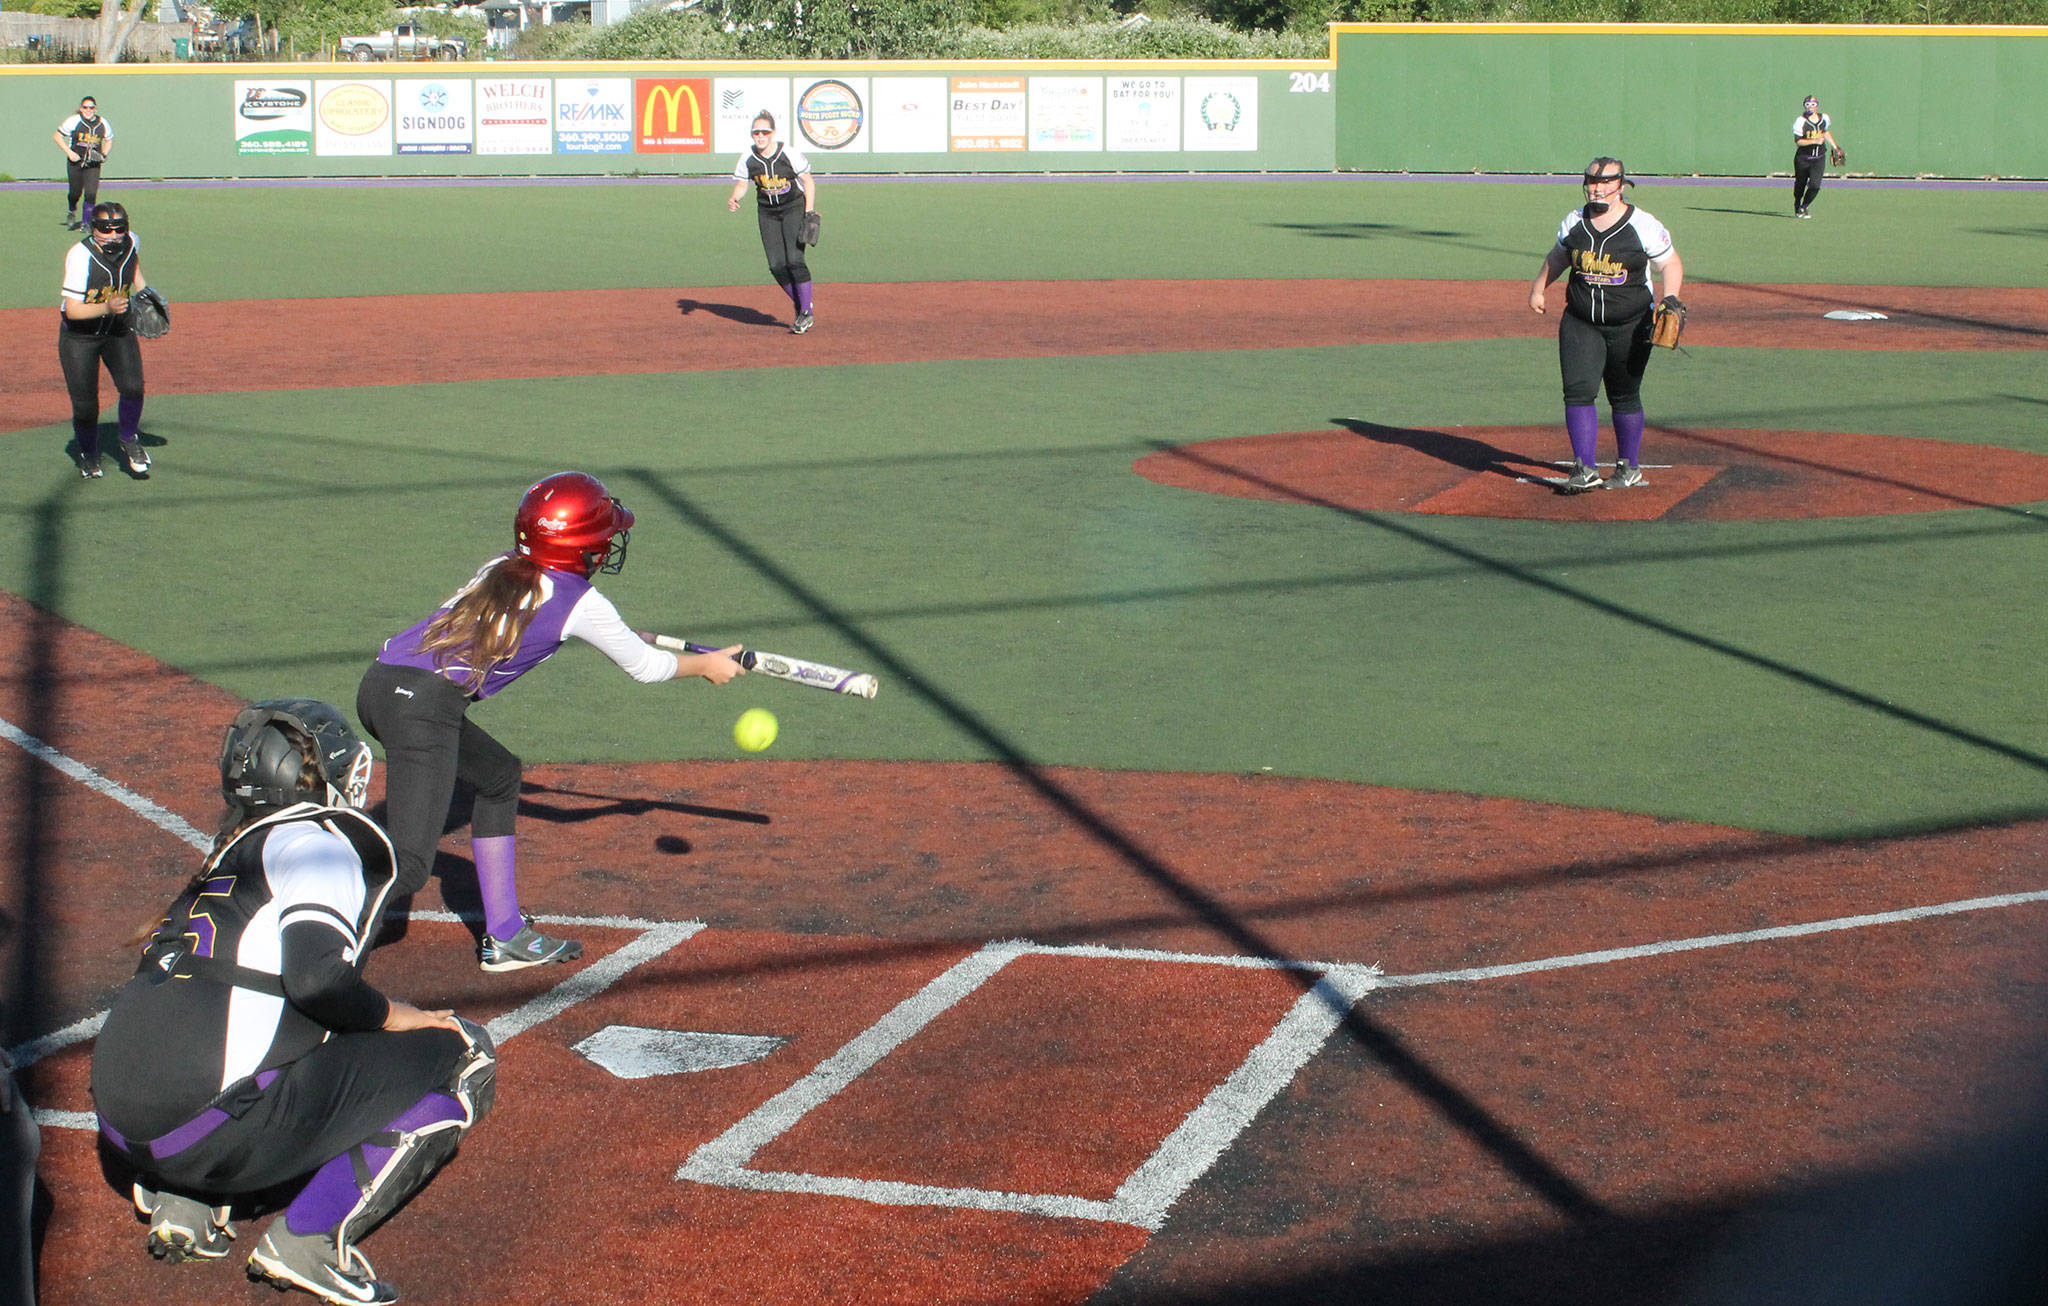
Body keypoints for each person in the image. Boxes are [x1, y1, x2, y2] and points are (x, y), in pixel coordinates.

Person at [89, 700, 494, 1306]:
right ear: (324, 776)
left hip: (124, 1133)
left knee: (270, 1026)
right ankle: (308, 1240)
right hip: (201, 1132)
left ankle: (188, 1201)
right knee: (464, 1051)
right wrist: (403, 1017)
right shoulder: (318, 843)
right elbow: (317, 981)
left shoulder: (230, 852)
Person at [356, 471, 746, 971]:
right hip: (422, 709)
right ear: (580, 546)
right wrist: (706, 666)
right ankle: (311, 943)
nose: (607, 545)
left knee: (498, 776)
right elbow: (646, 668)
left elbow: (514, 620)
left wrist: (621, 633)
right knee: (409, 867)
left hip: (382, 683)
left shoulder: (502, 567)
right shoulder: (584, 603)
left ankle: (504, 934)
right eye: (603, 538)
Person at [1527, 158, 1685, 493]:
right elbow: (1559, 256)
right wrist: (1539, 287)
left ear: (1622, 185)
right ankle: (1584, 468)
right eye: (1593, 182)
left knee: (1624, 394)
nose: (1598, 188)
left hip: (1631, 323)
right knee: (1578, 391)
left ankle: (1629, 466)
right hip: (1580, 321)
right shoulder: (1575, 221)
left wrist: (1670, 299)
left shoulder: (1642, 224)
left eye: (1607, 182)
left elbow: (1669, 262)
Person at [59, 201, 152, 480]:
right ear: (92, 228)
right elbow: (72, 310)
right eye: (104, 229)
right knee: (86, 405)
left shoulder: (131, 241)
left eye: (119, 228)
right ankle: (88, 453)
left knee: (133, 387)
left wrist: (145, 293)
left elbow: (133, 267)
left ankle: (128, 439)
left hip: (117, 330)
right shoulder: (79, 255)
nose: (112, 234)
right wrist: (107, 307)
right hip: (80, 337)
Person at [727, 112, 818, 334]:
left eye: (764, 132)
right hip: (767, 213)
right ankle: (801, 304)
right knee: (776, 265)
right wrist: (735, 197)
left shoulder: (788, 153)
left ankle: (805, 313)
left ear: (773, 133)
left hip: (793, 208)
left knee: (794, 260)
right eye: (756, 132)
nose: (760, 136)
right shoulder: (748, 158)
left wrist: (809, 212)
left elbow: (808, 181)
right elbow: (742, 183)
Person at [53, 95, 113, 231]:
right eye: (85, 107)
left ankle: (87, 222)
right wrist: (69, 153)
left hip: (93, 164)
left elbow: (109, 139)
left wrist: (104, 154)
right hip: (76, 162)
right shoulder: (74, 121)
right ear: (81, 108)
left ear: (95, 109)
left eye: (91, 107)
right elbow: (57, 136)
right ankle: (71, 210)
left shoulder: (102, 123)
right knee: (75, 192)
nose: (88, 110)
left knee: (91, 193)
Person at [1792, 95, 1844, 219]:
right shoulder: (1801, 121)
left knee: (1815, 186)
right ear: (1804, 106)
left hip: (1819, 158)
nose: (1810, 107)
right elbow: (1798, 141)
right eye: (1808, 104)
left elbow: (1825, 132)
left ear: (1817, 106)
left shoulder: (1823, 118)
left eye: (1813, 104)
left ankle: (1804, 206)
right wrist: (1814, 141)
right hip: (1803, 158)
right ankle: (1797, 203)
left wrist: (1835, 147)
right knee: (1800, 185)